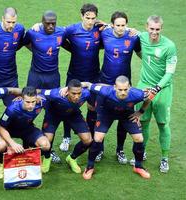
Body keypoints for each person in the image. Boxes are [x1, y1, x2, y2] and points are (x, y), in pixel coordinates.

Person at [81, 76, 151, 180]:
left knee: (139, 139)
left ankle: (138, 166)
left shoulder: (137, 93)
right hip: (106, 114)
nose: (123, 92)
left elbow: (148, 97)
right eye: (120, 89)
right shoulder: (106, 91)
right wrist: (67, 88)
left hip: (126, 114)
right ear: (114, 87)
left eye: (125, 89)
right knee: (98, 139)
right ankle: (89, 167)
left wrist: (140, 112)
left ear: (130, 87)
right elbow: (88, 84)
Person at [134, 15, 177, 173]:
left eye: (157, 29)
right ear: (147, 27)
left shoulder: (169, 46)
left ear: (161, 29)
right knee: (142, 121)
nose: (154, 32)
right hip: (144, 86)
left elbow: (169, 72)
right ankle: (142, 152)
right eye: (151, 29)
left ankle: (164, 158)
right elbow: (124, 29)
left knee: (162, 124)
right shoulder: (141, 37)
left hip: (162, 89)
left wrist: (157, 88)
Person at [98, 11, 141, 164]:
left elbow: (143, 51)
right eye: (117, 25)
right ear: (112, 25)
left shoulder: (133, 37)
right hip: (106, 83)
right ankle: (99, 149)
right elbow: (93, 21)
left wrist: (139, 31)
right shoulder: (105, 33)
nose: (121, 28)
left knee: (124, 118)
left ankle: (120, 150)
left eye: (123, 25)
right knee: (101, 115)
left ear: (127, 25)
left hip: (124, 87)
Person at [24, 10, 66, 163]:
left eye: (53, 23)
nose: (50, 26)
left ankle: (49, 148)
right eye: (47, 23)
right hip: (35, 76)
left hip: (53, 77)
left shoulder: (62, 32)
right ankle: (27, 145)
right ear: (42, 22)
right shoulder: (33, 32)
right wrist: (35, 49)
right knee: (29, 108)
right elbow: (24, 42)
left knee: (52, 111)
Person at [60, 3, 103, 153]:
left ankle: (90, 136)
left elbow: (113, 33)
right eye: (87, 17)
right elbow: (59, 37)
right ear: (81, 16)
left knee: (93, 107)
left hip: (93, 76)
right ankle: (66, 137)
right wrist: (72, 48)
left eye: (93, 18)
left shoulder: (99, 29)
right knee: (69, 106)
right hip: (74, 76)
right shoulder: (72, 30)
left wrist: (108, 25)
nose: (90, 21)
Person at [0, 87, 51, 179]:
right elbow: (1, 128)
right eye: (27, 102)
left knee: (45, 145)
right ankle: (1, 163)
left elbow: (52, 95)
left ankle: (42, 158)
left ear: (36, 98)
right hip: (8, 130)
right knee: (1, 146)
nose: (31, 105)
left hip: (27, 128)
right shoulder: (12, 109)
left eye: (33, 102)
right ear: (21, 99)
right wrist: (12, 143)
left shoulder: (41, 101)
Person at [40, 79, 92, 174]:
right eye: (73, 93)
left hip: (73, 114)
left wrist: (85, 83)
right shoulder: (55, 94)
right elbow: (38, 91)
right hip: (53, 115)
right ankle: (47, 158)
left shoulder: (85, 94)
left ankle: (71, 158)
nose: (77, 97)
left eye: (79, 93)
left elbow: (94, 86)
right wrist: (21, 96)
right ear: (67, 91)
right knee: (46, 142)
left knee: (88, 140)